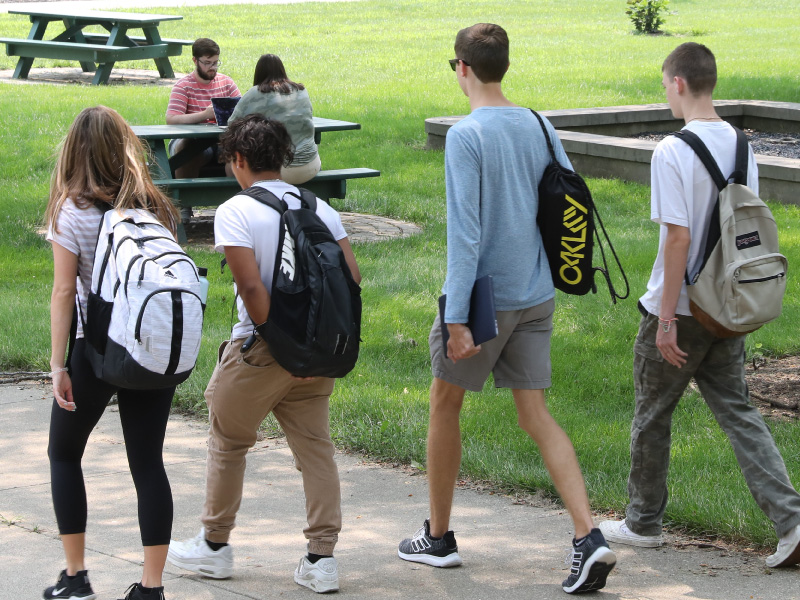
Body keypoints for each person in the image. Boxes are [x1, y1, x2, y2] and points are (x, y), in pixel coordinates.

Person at [396, 23, 616, 595]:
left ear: (462, 68)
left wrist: (457, 318)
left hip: (486, 301)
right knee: (536, 416)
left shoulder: (467, 136)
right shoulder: (539, 123)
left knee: (445, 405)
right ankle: (587, 536)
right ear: (504, 66)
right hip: (537, 291)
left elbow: (465, 236)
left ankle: (438, 539)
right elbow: (568, 196)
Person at [599, 42, 800, 568]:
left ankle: (643, 523)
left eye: (665, 83)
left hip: (684, 310)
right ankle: (792, 521)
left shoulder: (672, 150)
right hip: (728, 306)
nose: (665, 92)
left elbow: (678, 240)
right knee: (739, 413)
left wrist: (666, 319)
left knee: (651, 415)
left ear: (680, 83)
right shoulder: (741, 146)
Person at [166, 114, 361, 594]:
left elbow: (250, 285)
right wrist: (309, 350)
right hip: (316, 353)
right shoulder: (318, 207)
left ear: (237, 159)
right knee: (316, 450)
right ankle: (321, 560)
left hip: (262, 349)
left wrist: (278, 343)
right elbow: (352, 279)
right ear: (282, 156)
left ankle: (214, 547)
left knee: (228, 441)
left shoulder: (236, 210)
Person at [43, 106, 182, 600]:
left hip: (97, 349)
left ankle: (76, 576)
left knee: (63, 453)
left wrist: (58, 364)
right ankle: (151, 588)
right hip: (149, 350)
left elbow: (65, 294)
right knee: (148, 464)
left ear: (73, 150)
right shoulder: (154, 205)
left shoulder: (71, 211)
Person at [166, 38, 240, 218]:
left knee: (240, 148)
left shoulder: (227, 83)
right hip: (193, 142)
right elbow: (171, 119)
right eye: (207, 63)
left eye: (215, 62)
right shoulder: (183, 86)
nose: (212, 67)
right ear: (195, 61)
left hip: (222, 141)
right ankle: (184, 204)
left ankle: (235, 204)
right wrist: (204, 115)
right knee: (187, 149)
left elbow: (243, 111)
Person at [229, 53, 321, 185]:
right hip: (311, 165)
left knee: (236, 159)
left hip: (278, 169)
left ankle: (241, 198)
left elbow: (232, 124)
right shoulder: (301, 91)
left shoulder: (255, 93)